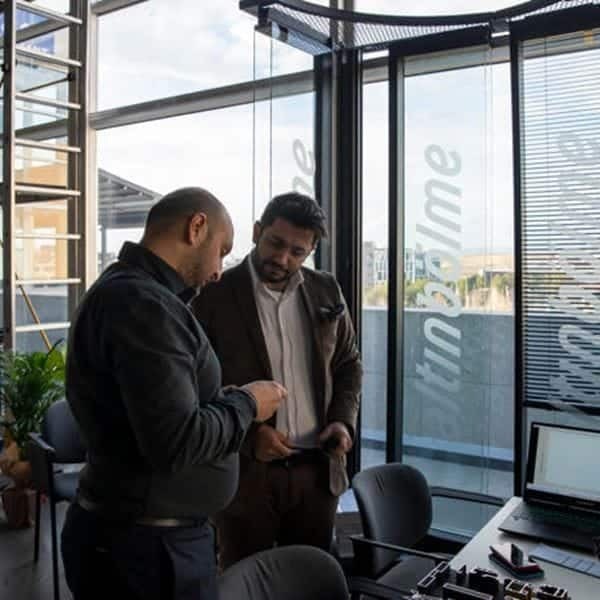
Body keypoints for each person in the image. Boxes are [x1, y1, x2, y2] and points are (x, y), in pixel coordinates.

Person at [61, 187, 286, 600]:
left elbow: (153, 414)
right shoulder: (143, 304)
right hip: (146, 552)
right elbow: (176, 441)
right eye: (222, 251)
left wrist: (222, 401)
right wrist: (248, 403)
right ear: (196, 227)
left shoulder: (131, 292)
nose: (218, 271)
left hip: (140, 540)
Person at [192, 191, 362, 568]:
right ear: (257, 231)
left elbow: (348, 364)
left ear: (311, 250)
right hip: (246, 475)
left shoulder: (326, 289)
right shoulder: (214, 293)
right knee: (243, 579)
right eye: (275, 243)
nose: (283, 259)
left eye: (297, 251)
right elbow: (196, 384)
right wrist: (249, 436)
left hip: (318, 472)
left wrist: (342, 421)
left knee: (311, 578)